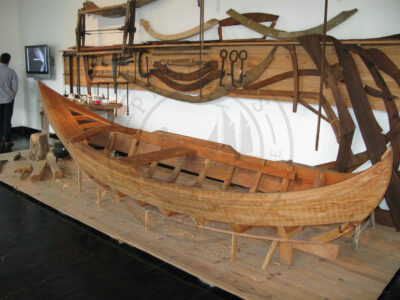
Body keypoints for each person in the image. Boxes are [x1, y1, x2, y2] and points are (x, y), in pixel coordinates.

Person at [0, 53, 18, 151]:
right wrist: (12, 97)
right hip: (8, 100)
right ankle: (7, 141)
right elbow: (15, 88)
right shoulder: (11, 72)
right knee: (7, 121)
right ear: (8, 61)